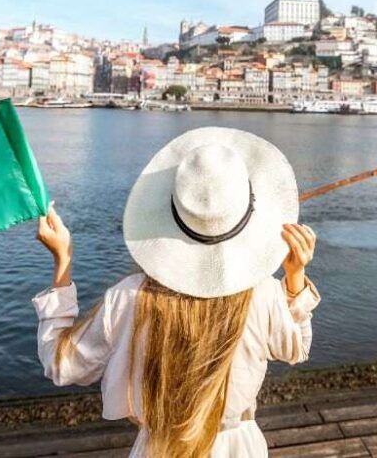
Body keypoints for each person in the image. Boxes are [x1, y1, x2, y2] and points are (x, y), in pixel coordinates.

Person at [33, 127, 320, 457]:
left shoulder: (128, 297)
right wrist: (295, 277)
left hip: (159, 447)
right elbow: (296, 349)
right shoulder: (263, 294)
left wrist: (63, 261)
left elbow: (61, 364)